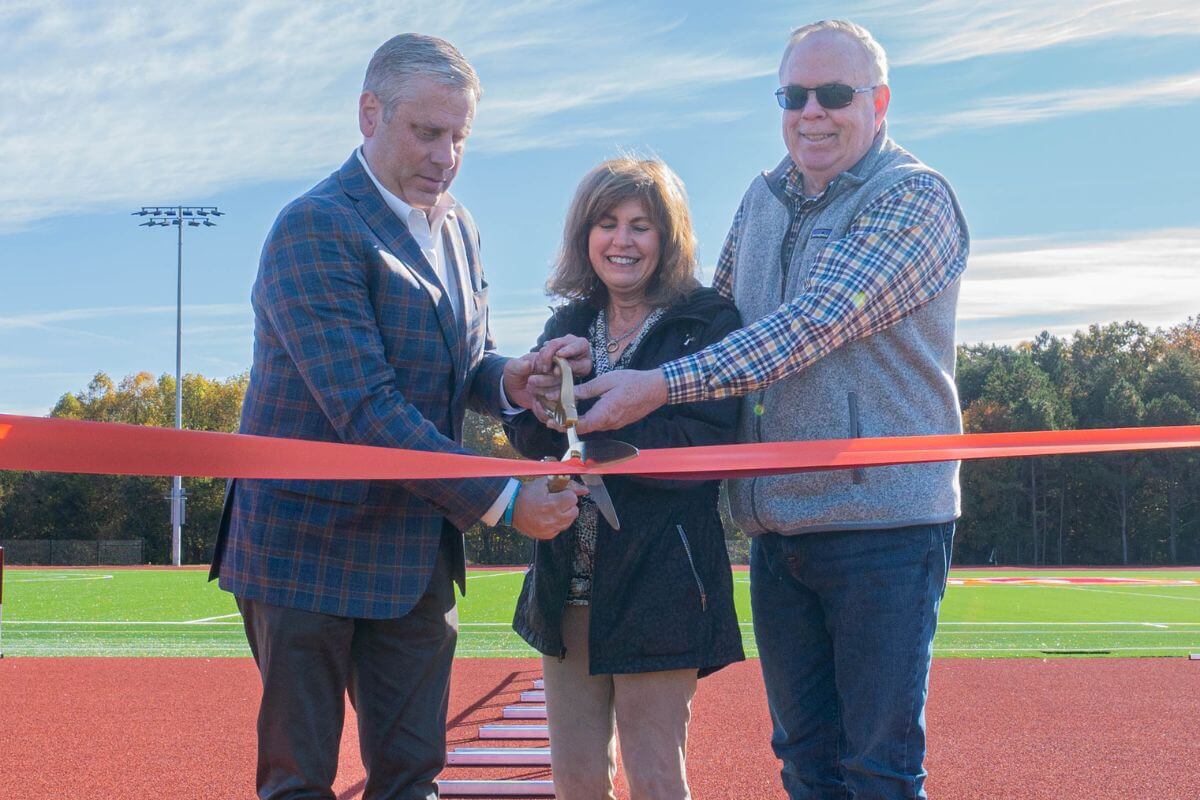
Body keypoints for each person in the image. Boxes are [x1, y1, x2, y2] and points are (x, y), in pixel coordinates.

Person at [562, 20, 970, 800]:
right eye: (795, 95)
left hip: (882, 525)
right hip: (779, 526)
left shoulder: (915, 198)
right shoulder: (763, 195)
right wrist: (594, 348)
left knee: (877, 767)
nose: (812, 112)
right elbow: (710, 315)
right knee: (804, 756)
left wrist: (657, 385)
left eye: (835, 94)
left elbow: (811, 325)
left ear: (878, 102)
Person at [208, 34, 585, 800]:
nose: (446, 155)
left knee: (413, 779)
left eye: (461, 137)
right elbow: (366, 407)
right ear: (369, 113)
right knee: (299, 784)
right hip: (304, 550)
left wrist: (509, 381)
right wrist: (505, 500)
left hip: (413, 549)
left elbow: (458, 366)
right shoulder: (313, 226)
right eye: (427, 132)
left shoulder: (459, 227)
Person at [507, 157, 745, 800]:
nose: (623, 240)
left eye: (641, 225)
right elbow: (534, 443)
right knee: (576, 782)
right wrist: (536, 399)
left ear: (667, 238)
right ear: (585, 236)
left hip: (661, 585)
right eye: (607, 223)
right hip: (568, 583)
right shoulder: (568, 324)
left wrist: (595, 429)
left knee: (656, 778)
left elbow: (710, 445)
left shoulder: (707, 321)